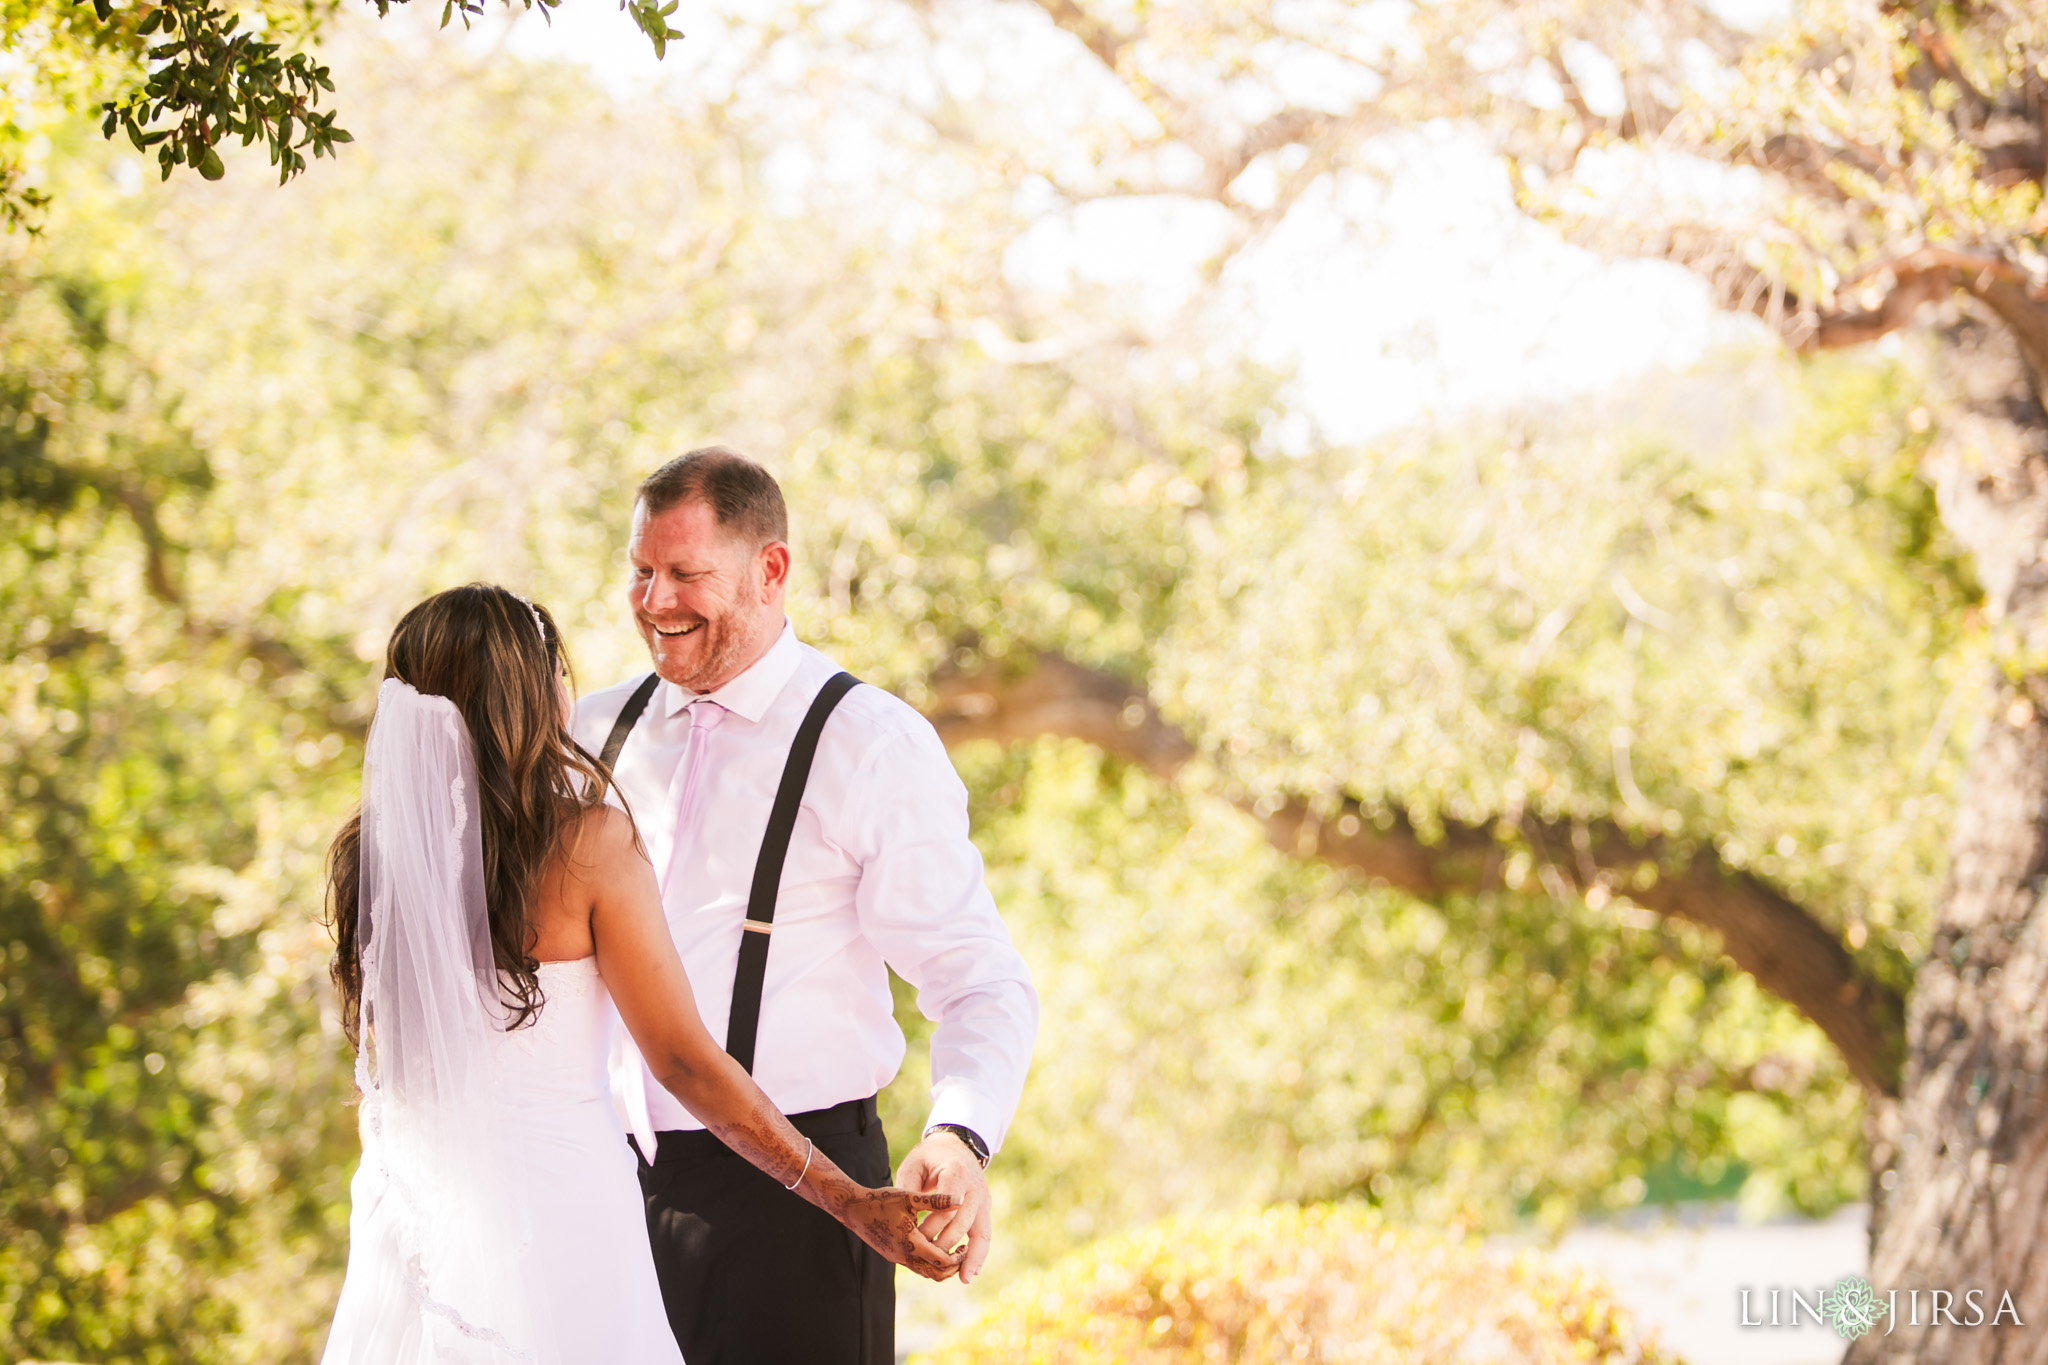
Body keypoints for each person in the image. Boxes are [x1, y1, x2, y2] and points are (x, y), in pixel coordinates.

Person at [319, 584, 959, 1365]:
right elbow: (684, 1060)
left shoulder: (372, 860)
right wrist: (848, 1198)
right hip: (564, 1215)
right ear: (531, 689)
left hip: (420, 1221)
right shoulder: (586, 844)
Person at [573, 447, 1039, 1365]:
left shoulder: (869, 743)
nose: (654, 601)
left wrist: (961, 1133)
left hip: (803, 1199)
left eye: (685, 573)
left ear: (770, 569)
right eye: (641, 571)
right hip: (599, 1191)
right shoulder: (592, 733)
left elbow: (980, 978)